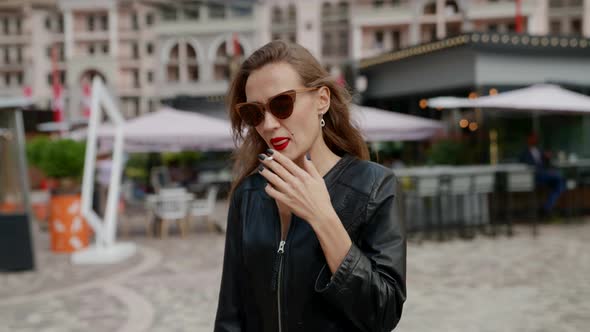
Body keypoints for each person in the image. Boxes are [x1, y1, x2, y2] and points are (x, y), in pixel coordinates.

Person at [214, 40, 406, 331]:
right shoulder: (249, 194)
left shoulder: (375, 187)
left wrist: (323, 217)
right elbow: (231, 315)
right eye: (255, 112)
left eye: (282, 104)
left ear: (322, 100)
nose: (268, 124)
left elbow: (384, 313)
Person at [519, 133, 566, 216]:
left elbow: (546, 163)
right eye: (533, 138)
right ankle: (547, 208)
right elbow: (528, 167)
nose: (535, 140)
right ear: (528, 139)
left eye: (536, 138)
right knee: (560, 178)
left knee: (560, 184)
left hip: (545, 176)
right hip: (534, 177)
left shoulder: (539, 150)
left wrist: (548, 157)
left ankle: (547, 208)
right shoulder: (524, 153)